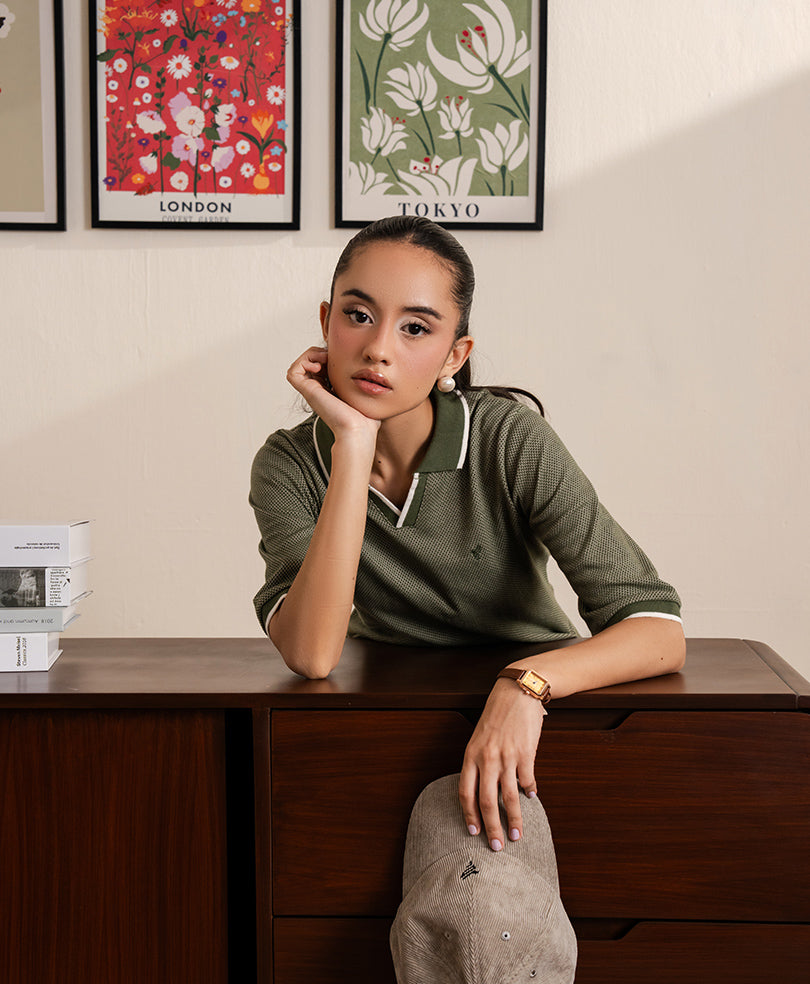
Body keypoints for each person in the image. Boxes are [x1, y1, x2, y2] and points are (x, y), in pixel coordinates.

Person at [250, 214, 684, 857]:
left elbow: (658, 631)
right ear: (325, 322)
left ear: (455, 355)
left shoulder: (508, 439)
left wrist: (523, 684)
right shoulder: (288, 464)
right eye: (358, 315)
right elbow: (312, 655)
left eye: (415, 328)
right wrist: (353, 446)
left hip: (537, 728)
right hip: (387, 731)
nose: (378, 349)